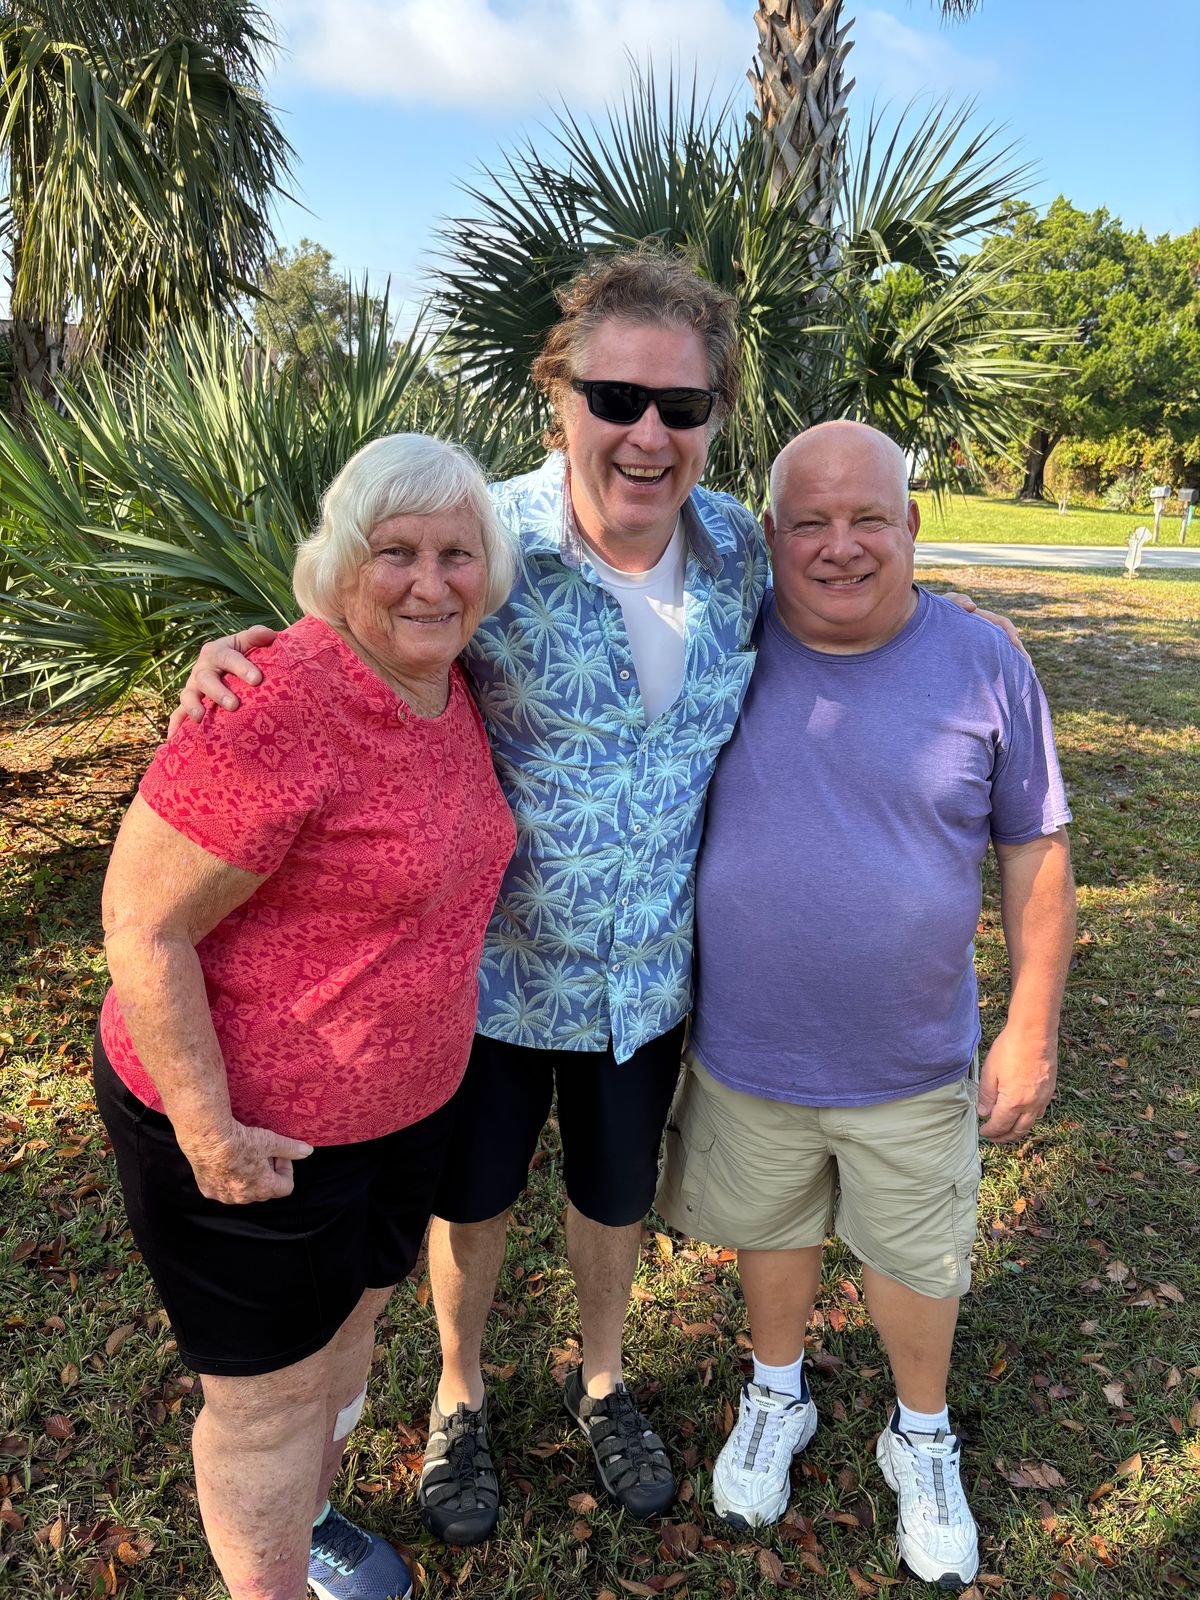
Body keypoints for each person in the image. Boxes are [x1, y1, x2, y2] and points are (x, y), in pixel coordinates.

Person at [170, 252, 1019, 1548]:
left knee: (613, 1197)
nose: (646, 433)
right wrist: (244, 659)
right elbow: (365, 622)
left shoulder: (744, 551)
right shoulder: (487, 542)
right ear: (558, 397)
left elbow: (873, 598)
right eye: (616, 398)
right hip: (495, 972)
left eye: (682, 406)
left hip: (650, 977)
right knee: (473, 1202)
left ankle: (604, 1378)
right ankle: (460, 1392)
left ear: (715, 419)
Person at [94, 434, 516, 1600]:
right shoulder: (271, 700)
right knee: (269, 1401)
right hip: (251, 1130)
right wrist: (209, 1130)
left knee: (348, 1334)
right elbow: (142, 922)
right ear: (340, 562)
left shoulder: (455, 682)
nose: (429, 582)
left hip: (402, 1111)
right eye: (395, 552)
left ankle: (308, 1520)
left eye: (456, 554)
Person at [656, 420, 1076, 1587]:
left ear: (912, 525)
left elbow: (1036, 852)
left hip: (912, 1056)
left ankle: (921, 1433)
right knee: (774, 1228)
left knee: (916, 1256)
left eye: (867, 519)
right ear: (771, 532)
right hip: (748, 1048)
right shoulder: (722, 645)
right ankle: (776, 1392)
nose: (839, 546)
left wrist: (1031, 1024)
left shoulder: (986, 662)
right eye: (810, 522)